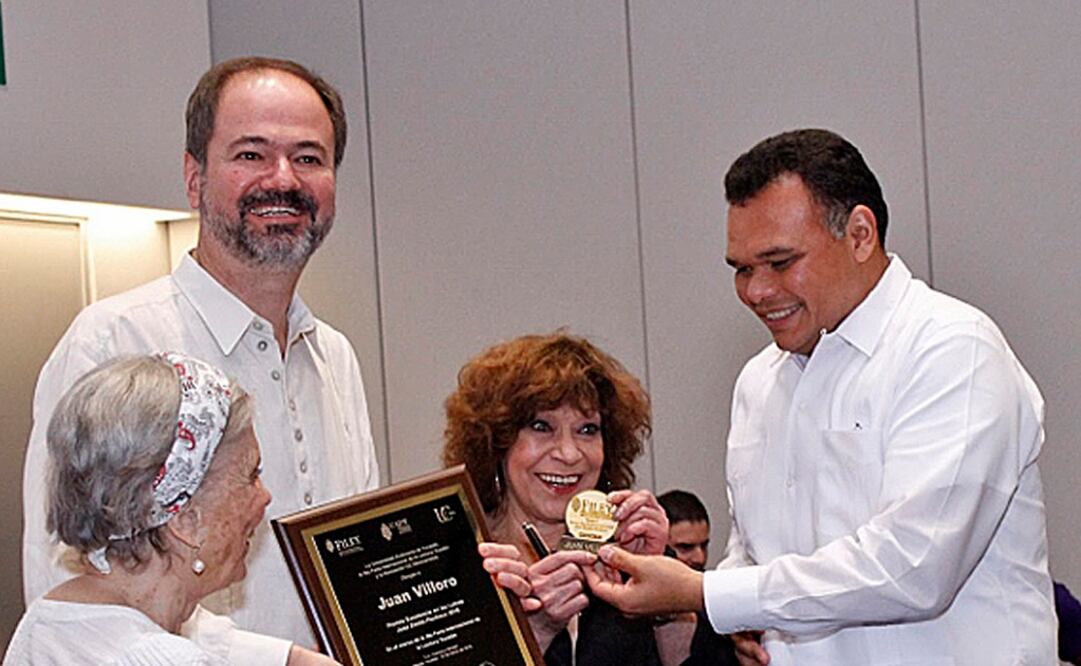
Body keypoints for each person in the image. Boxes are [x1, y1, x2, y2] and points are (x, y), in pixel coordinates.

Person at [585, 129, 1055, 665]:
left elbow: (915, 568)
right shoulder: (759, 382)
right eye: (741, 269)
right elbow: (757, 552)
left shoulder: (952, 350)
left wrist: (708, 594)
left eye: (780, 262)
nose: (756, 291)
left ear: (859, 234)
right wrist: (681, 580)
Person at [22, 57, 378, 663]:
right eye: (250, 155)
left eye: (310, 157)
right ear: (194, 178)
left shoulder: (334, 356)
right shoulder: (116, 342)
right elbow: (65, 594)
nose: (283, 179)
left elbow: (359, 570)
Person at [5, 353, 335, 665]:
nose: (264, 497)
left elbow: (203, 635)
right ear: (185, 520)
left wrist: (289, 658)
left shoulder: (45, 624)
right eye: (251, 476)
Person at [443, 332, 682, 665]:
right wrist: (537, 631)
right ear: (497, 442)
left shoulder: (629, 550)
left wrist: (663, 597)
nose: (570, 454)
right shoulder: (456, 566)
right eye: (542, 427)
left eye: (587, 430)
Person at [657, 490, 737, 666]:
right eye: (685, 547)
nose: (699, 558)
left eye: (704, 545)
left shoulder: (719, 609)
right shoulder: (628, 618)